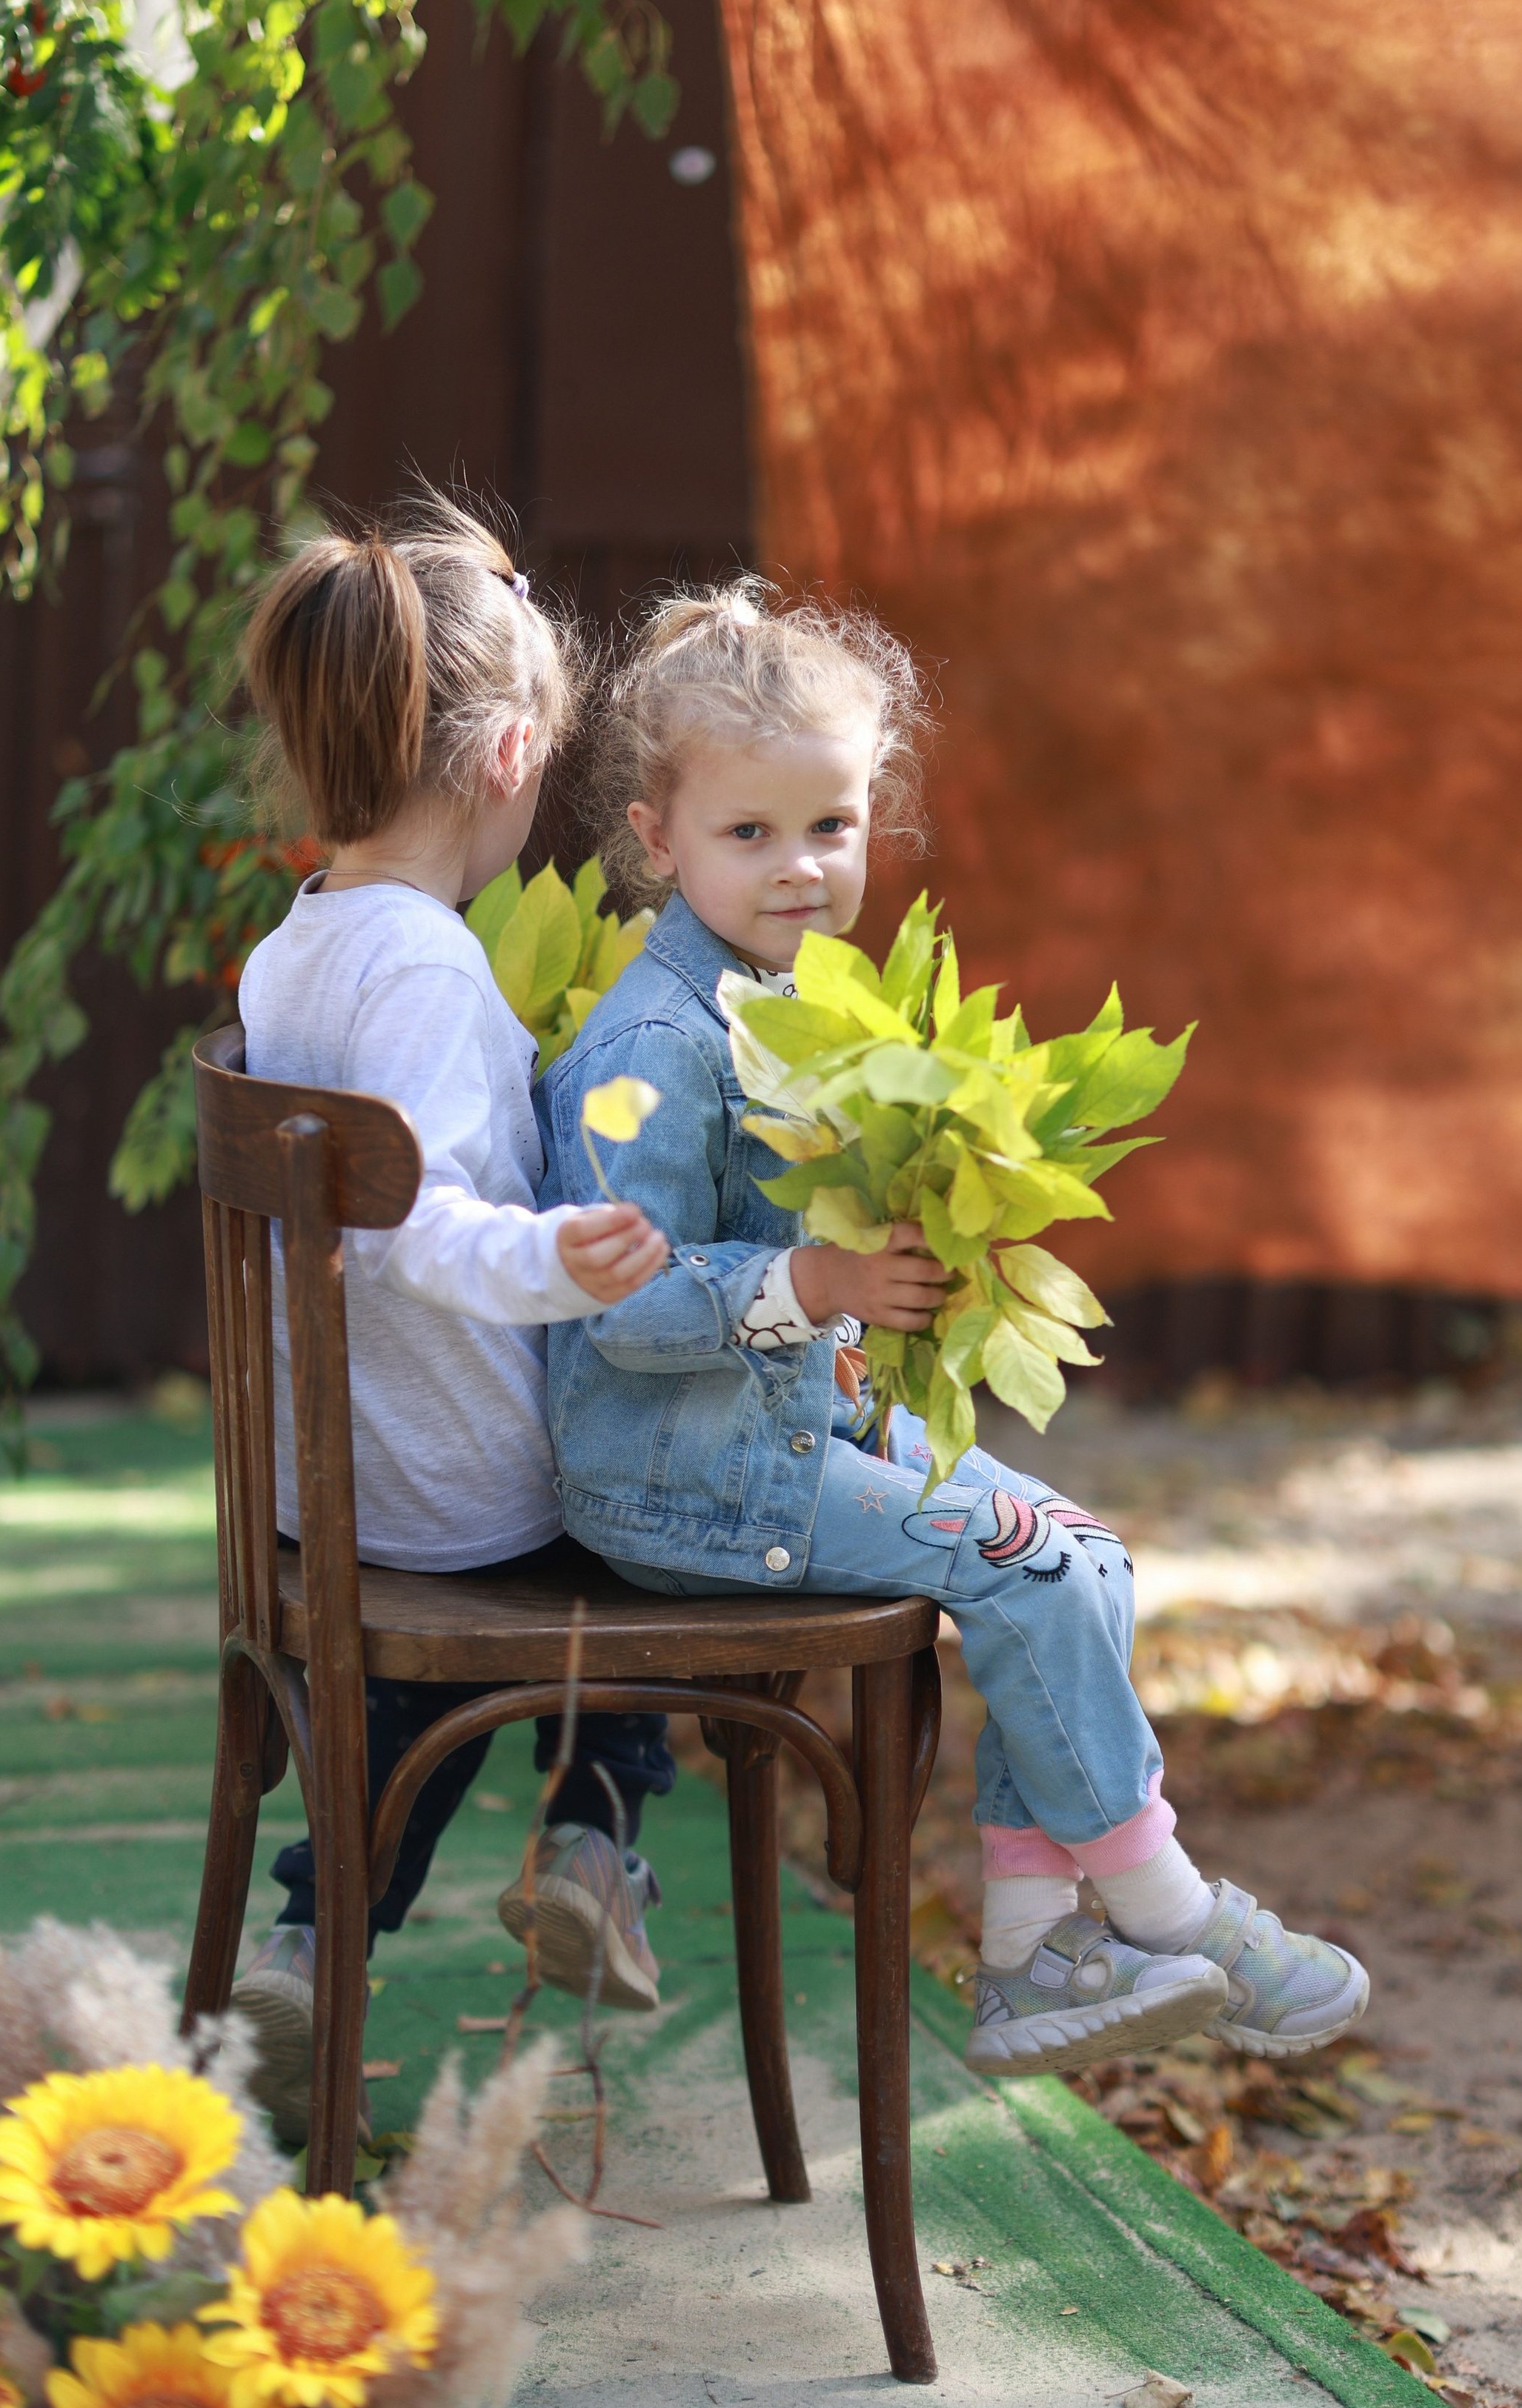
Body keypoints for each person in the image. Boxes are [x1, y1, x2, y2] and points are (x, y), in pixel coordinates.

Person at [541, 584, 1369, 2078]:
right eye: (748, 836)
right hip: (686, 1478)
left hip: (798, 1437)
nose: (798, 870)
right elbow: (620, 1314)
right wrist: (823, 1290)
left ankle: (1030, 1954)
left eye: (831, 827)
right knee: (1035, 1571)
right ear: (656, 840)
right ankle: (1158, 1909)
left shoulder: (808, 1004)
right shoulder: (648, 1051)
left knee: (1088, 1559)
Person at [227, 497, 674, 2144]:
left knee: (406, 1696)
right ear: (502, 765)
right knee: (649, 1514)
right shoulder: (420, 963)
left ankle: (307, 1935)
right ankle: (590, 1842)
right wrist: (568, 1257)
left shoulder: (304, 946)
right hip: (452, 1485)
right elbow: (418, 1228)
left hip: (339, 1482)